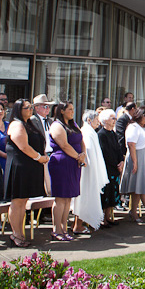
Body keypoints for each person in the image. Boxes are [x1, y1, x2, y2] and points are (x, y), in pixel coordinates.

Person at [3, 99, 49, 247]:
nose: (30, 109)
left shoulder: (29, 123)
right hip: (19, 167)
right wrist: (39, 158)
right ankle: (15, 234)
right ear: (18, 109)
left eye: (31, 107)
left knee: (23, 202)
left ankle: (20, 232)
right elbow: (23, 146)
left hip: (29, 167)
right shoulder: (17, 124)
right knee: (17, 201)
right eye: (27, 107)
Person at [47, 101, 86, 241]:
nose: (72, 111)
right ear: (61, 111)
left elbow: (81, 141)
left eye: (73, 109)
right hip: (61, 162)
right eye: (69, 109)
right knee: (61, 197)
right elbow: (64, 144)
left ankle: (64, 227)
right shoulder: (57, 125)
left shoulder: (73, 125)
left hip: (75, 162)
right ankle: (56, 229)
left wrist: (83, 154)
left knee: (68, 197)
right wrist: (78, 156)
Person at [120, 106, 145, 224]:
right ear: (139, 115)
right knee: (143, 188)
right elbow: (131, 145)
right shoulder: (133, 127)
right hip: (139, 158)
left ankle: (133, 212)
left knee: (138, 188)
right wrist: (135, 162)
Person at [71, 110, 108, 234]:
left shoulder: (91, 132)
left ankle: (80, 223)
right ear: (89, 120)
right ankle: (78, 225)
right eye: (96, 120)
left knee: (86, 197)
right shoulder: (86, 132)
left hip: (90, 169)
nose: (98, 122)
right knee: (84, 197)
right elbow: (88, 151)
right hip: (87, 170)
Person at [96, 109, 123, 225]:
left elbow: (118, 149)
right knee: (106, 193)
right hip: (106, 168)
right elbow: (105, 152)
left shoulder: (113, 133)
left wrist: (121, 161)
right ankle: (102, 219)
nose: (114, 121)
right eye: (112, 118)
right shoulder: (101, 134)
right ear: (105, 120)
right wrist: (114, 164)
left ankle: (108, 216)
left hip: (115, 168)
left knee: (113, 193)